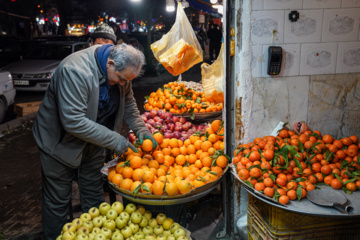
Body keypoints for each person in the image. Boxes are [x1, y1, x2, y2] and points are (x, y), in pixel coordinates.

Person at [32, 43, 158, 239]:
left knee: (93, 192)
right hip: (59, 144)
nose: (123, 84)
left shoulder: (122, 73)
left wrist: (142, 130)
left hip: (94, 142)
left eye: (127, 81)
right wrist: (116, 140)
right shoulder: (74, 71)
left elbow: (129, 104)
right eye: (121, 79)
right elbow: (73, 121)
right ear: (110, 63)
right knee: (57, 202)